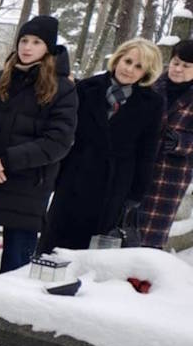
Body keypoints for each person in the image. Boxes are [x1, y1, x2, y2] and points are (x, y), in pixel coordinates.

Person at [0, 16, 77, 311]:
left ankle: (3, 305)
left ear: (48, 48)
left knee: (19, 241)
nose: (27, 47)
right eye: (23, 41)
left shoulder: (62, 89)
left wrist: (5, 162)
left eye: (35, 42)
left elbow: (58, 141)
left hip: (27, 180)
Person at [39, 38, 163, 253]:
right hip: (75, 175)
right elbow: (66, 132)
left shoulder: (152, 102)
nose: (130, 69)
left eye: (139, 66)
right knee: (55, 240)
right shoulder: (86, 88)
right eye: (128, 61)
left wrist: (136, 193)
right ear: (118, 59)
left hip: (114, 183)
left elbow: (147, 151)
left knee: (94, 247)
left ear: (147, 72)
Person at [138, 40, 193, 249]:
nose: (178, 69)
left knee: (151, 236)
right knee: (122, 225)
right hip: (137, 165)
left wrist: (181, 142)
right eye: (176, 63)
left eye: (186, 66)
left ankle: (142, 278)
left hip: (171, 175)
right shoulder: (152, 84)